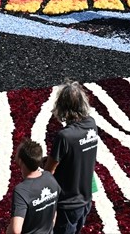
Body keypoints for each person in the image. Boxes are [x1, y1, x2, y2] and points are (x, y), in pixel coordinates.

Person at [45, 81, 100, 234]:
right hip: (85, 199)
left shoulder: (64, 136)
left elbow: (49, 172)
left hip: (67, 204)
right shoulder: (91, 125)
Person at [8, 139, 60, 234]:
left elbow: (16, 230)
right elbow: (55, 211)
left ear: (20, 160)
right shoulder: (50, 178)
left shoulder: (21, 191)